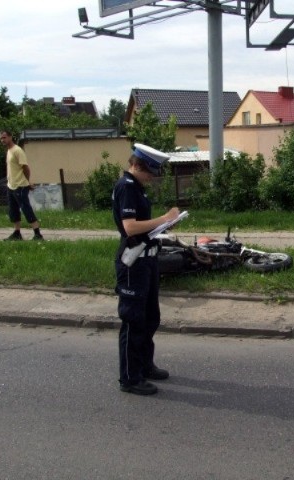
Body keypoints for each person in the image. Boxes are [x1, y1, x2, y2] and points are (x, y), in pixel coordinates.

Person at [112, 143, 180, 396]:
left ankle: (144, 366)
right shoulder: (127, 188)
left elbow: (144, 226)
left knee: (150, 318)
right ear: (137, 165)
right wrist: (163, 219)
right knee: (133, 321)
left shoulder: (137, 188)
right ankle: (130, 378)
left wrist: (163, 226)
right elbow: (130, 227)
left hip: (147, 261)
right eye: (150, 172)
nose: (152, 178)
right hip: (134, 263)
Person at [0, 129, 44, 241]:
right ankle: (17, 233)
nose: (2, 140)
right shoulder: (9, 151)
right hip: (11, 186)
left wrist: (28, 182)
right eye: (1, 138)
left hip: (20, 186)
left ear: (10, 137)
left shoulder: (17, 150)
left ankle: (37, 234)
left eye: (4, 137)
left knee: (26, 208)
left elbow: (25, 168)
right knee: (13, 210)